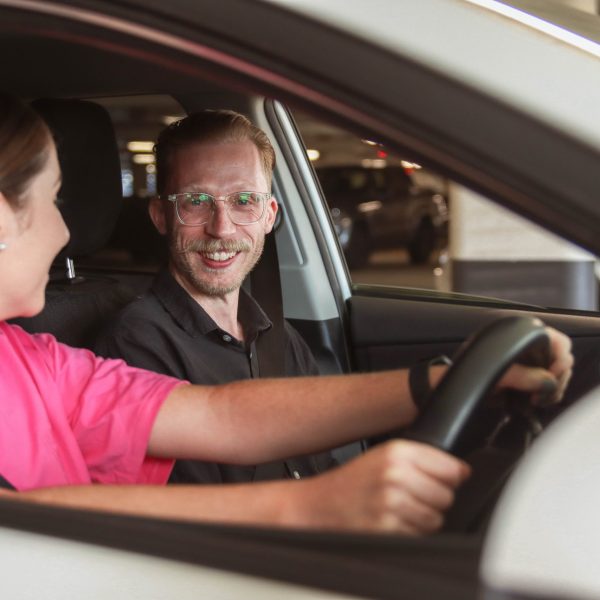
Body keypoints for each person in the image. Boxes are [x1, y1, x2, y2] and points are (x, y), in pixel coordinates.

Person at [0, 92, 573, 535]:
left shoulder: (34, 361)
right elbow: (21, 531)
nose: (69, 230)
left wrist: (444, 380)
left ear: (271, 214)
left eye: (244, 201)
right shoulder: (134, 335)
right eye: (53, 201)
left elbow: (224, 418)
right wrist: (312, 508)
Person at [95, 110, 342, 485]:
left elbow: (323, 470)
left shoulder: (281, 338)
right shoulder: (136, 346)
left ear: (268, 215)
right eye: (196, 201)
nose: (221, 228)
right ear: (161, 216)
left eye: (244, 199)